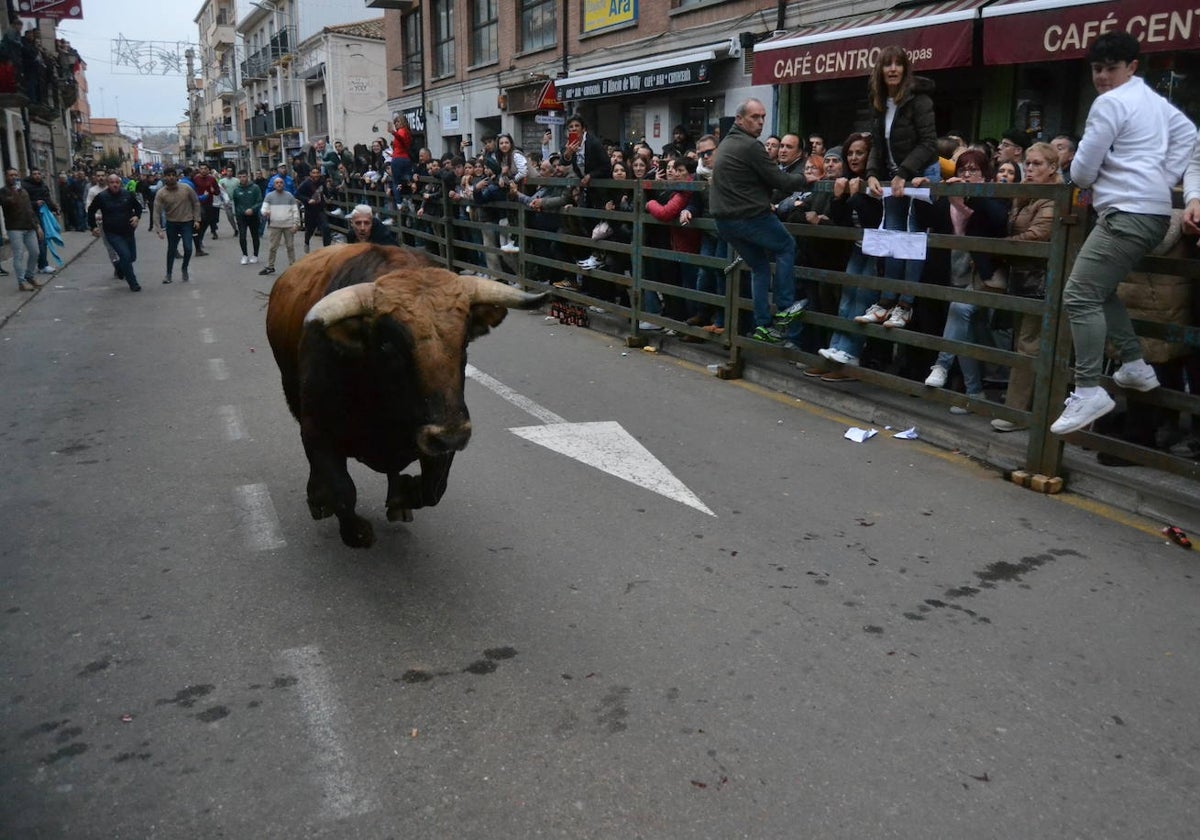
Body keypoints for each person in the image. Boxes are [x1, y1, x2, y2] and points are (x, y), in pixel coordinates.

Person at [1049, 31, 1196, 435]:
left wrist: (1141, 176)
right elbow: (1189, 137)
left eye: (1109, 68)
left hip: (1126, 214)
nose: (1102, 77)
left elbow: (1080, 172)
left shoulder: (1109, 103)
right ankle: (1133, 364)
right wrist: (1162, 177)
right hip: (1150, 213)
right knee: (1099, 289)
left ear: (1131, 66)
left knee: (1078, 295)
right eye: (1097, 69)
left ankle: (1088, 388)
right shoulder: (1152, 100)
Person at [710, 97, 812, 345]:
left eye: (763, 117)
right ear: (740, 119)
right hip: (748, 215)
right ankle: (786, 308)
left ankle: (763, 325)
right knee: (786, 246)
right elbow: (781, 181)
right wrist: (807, 179)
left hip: (725, 220)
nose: (760, 122)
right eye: (755, 117)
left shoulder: (726, 143)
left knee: (759, 267)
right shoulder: (750, 146)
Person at [856, 45, 938, 330]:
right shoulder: (878, 101)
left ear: (905, 69)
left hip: (919, 173)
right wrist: (870, 174)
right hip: (894, 176)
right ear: (879, 70)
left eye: (898, 64)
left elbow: (929, 143)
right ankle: (887, 301)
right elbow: (878, 145)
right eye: (886, 64)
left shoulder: (920, 100)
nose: (892, 69)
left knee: (911, 238)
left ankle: (905, 305)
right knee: (891, 236)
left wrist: (904, 171)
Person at [921, 149, 1009, 412]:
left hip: (986, 272)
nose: (967, 174)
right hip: (957, 267)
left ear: (985, 174)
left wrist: (968, 198)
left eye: (973, 170)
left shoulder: (994, 194)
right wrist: (937, 192)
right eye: (962, 170)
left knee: (960, 310)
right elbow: (945, 227)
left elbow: (997, 221)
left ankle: (942, 364)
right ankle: (973, 392)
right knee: (965, 330)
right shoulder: (953, 195)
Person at [989, 142, 1065, 431]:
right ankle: (1028, 408)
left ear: (1052, 168)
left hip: (1041, 279)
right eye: (1028, 164)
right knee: (1023, 341)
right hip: (1023, 277)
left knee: (1028, 344)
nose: (1030, 169)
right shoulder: (1026, 195)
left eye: (1037, 164)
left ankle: (1016, 412)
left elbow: (1039, 234)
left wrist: (999, 247)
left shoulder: (1052, 197)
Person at [88, 173, 143, 292]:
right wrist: (93, 227)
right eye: (112, 183)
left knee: (132, 257)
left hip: (128, 231)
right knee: (125, 255)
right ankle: (133, 283)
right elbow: (90, 211)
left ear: (120, 183)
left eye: (117, 182)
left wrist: (137, 217)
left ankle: (119, 266)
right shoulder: (101, 197)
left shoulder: (128, 195)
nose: (115, 185)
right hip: (112, 232)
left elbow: (138, 208)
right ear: (108, 184)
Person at [154, 167, 202, 284]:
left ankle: (184, 267)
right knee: (171, 249)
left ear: (176, 176)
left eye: (173, 175)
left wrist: (197, 219)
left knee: (188, 248)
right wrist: (158, 229)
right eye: (168, 175)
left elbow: (196, 202)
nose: (171, 177)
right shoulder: (161, 193)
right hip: (172, 223)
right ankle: (168, 274)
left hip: (187, 222)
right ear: (164, 177)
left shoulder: (186, 188)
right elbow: (156, 212)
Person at [0, 168, 43, 291]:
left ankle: (29, 275)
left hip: (29, 226)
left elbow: (29, 209)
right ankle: (21, 281)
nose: (14, 177)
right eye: (11, 175)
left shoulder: (23, 191)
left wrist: (37, 225)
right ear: (6, 177)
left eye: (15, 175)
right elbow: (8, 203)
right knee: (18, 255)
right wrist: (15, 192)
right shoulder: (4, 191)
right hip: (15, 228)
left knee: (35, 252)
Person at [258, 175, 301, 275]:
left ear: (284, 184)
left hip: (288, 225)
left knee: (290, 246)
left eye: (281, 183)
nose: (279, 184)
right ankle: (270, 266)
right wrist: (265, 212)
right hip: (274, 225)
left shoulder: (289, 196)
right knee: (273, 247)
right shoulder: (269, 196)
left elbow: (295, 210)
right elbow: (263, 208)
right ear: (274, 185)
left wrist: (296, 224)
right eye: (277, 183)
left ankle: (292, 265)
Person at [22, 168, 58, 275]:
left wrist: (54, 208)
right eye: (35, 174)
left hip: (44, 215)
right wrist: (35, 203)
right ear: (31, 175)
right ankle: (42, 265)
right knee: (41, 241)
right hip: (32, 216)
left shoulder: (43, 185)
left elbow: (47, 198)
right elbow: (24, 202)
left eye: (39, 174)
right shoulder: (25, 186)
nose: (37, 176)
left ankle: (42, 264)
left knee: (43, 240)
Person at [295, 168, 330, 253]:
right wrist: (307, 200)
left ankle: (327, 249)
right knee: (309, 230)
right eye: (313, 173)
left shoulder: (322, 182)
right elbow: (297, 194)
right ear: (310, 174)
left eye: (317, 173)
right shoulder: (306, 184)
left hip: (320, 209)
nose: (315, 175)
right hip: (310, 211)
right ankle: (306, 242)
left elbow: (326, 192)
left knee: (325, 227)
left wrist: (330, 195)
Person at [231, 170, 263, 265]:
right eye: (240, 177)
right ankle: (244, 255)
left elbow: (259, 201)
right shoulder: (236, 190)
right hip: (241, 217)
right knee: (242, 236)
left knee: (255, 236)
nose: (242, 179)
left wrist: (252, 209)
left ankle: (255, 255)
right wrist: (237, 214)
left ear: (247, 177)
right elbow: (235, 204)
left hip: (253, 216)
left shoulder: (255, 188)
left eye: (244, 176)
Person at [191, 163, 218, 253]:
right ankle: (198, 240)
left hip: (209, 204)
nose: (203, 170)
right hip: (198, 204)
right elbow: (192, 191)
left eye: (205, 168)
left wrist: (214, 191)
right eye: (201, 168)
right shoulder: (195, 179)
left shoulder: (212, 179)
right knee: (200, 222)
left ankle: (200, 238)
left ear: (208, 170)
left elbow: (217, 192)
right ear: (199, 170)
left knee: (206, 223)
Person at [389, 114, 413, 201]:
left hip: (398, 159)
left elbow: (401, 138)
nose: (396, 124)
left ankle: (399, 203)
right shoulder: (407, 132)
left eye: (398, 122)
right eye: (395, 122)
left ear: (403, 122)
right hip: (405, 158)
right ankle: (409, 199)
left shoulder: (401, 131)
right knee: (407, 179)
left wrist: (393, 133)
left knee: (396, 182)